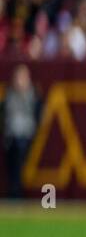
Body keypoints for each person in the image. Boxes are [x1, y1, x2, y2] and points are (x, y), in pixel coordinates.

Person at [2, 65, 39, 199]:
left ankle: (17, 194)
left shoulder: (31, 94)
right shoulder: (9, 94)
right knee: (11, 166)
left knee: (19, 166)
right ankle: (12, 192)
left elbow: (33, 115)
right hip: (11, 136)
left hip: (24, 135)